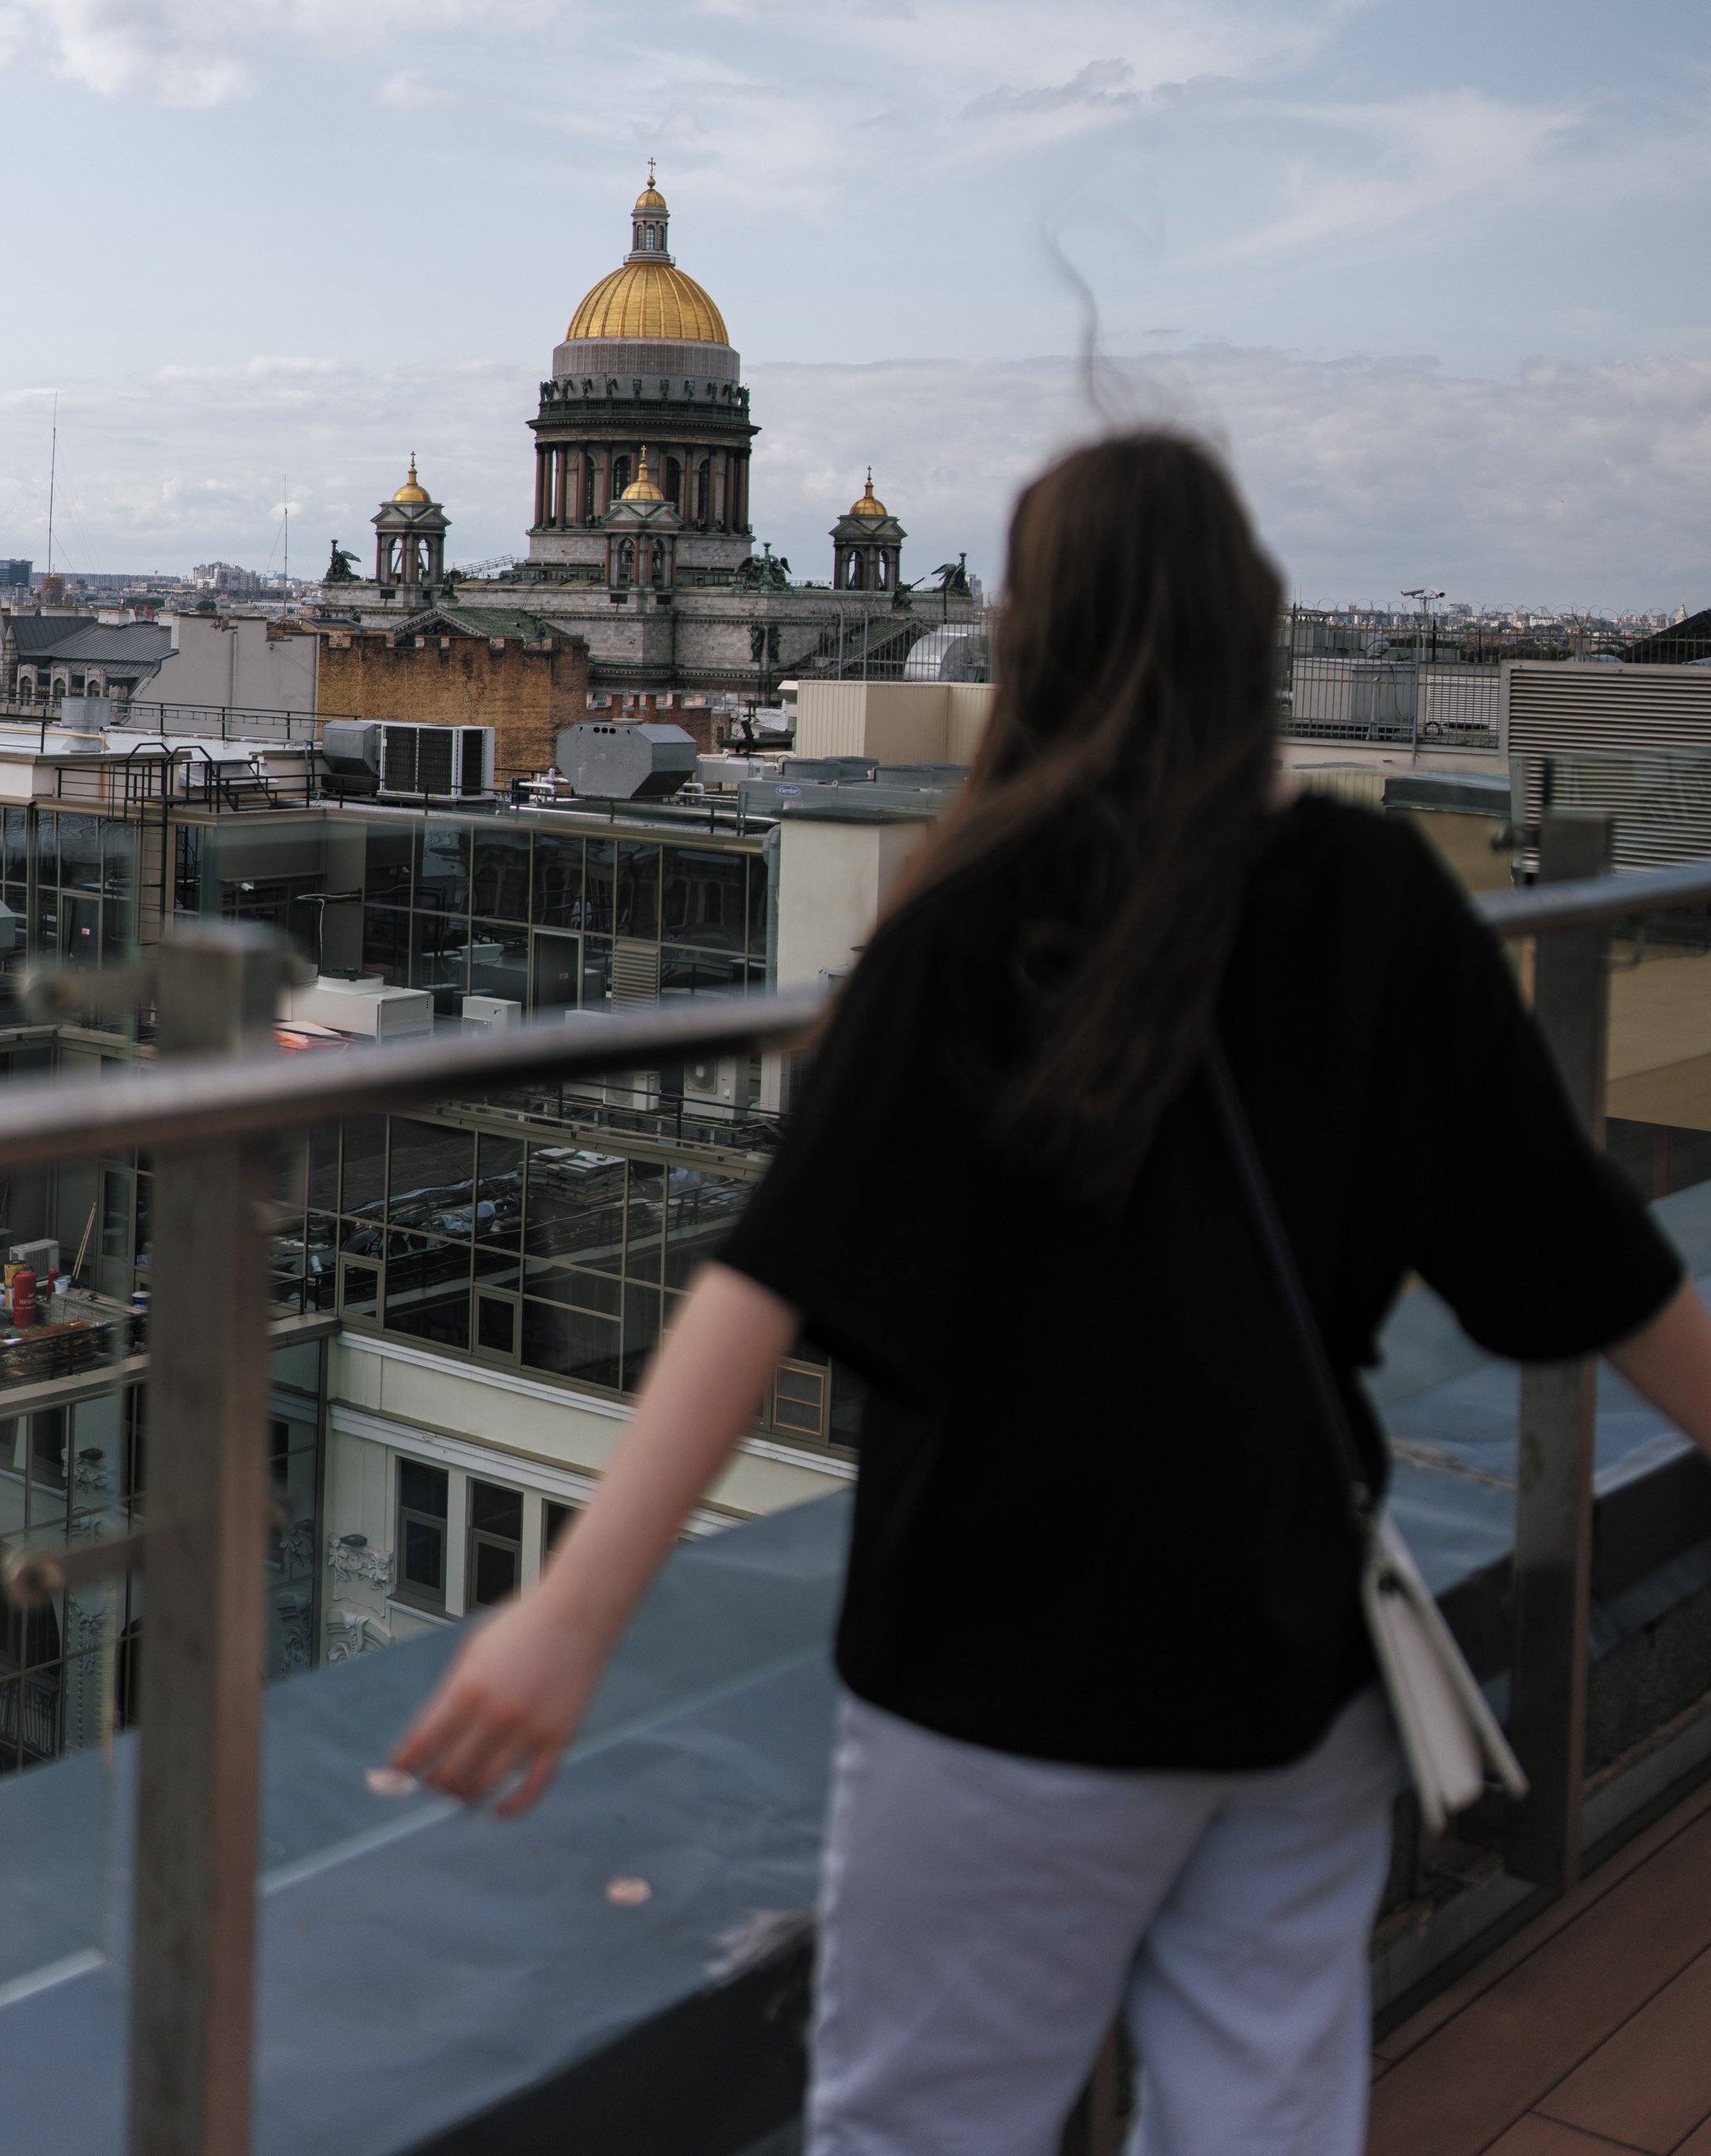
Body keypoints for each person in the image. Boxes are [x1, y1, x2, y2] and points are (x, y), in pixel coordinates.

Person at [393, 432, 1711, 2156]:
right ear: (1250, 635)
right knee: (1259, 2124)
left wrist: (569, 1617)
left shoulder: (971, 917)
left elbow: (771, 1273)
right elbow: (1593, 1265)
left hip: (992, 1678)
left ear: (1027, 641)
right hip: (1283, 1662)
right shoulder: (1377, 898)